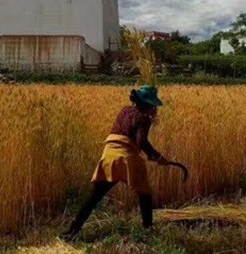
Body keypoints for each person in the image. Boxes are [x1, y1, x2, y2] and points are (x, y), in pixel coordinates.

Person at [63, 85, 172, 239]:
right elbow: (141, 142)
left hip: (109, 155)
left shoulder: (124, 111)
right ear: (148, 104)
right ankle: (148, 231)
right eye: (153, 105)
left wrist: (152, 155)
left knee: (95, 196)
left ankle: (73, 230)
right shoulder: (143, 118)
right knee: (145, 195)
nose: (154, 108)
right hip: (127, 158)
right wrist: (157, 156)